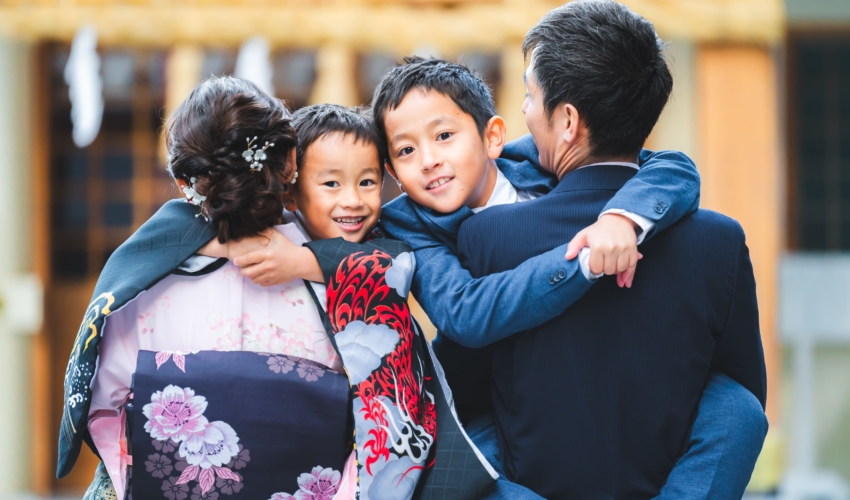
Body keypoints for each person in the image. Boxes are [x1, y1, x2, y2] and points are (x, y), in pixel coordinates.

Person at [229, 57, 764, 498]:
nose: (430, 161)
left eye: (443, 136)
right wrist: (583, 258)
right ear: (393, 171)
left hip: (603, 374)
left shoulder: (538, 163)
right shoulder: (409, 223)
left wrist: (621, 220)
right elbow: (461, 309)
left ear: (492, 137)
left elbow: (667, 166)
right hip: (485, 406)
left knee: (736, 409)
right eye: (406, 151)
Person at [60, 77, 496, 500]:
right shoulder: (346, 272)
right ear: (289, 166)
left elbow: (105, 408)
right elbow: (392, 420)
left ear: (184, 182)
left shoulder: (141, 279)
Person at [454, 1, 768, 498]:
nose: (523, 112)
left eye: (532, 97)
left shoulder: (489, 238)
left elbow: (460, 404)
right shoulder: (719, 243)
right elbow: (736, 400)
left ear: (569, 121)